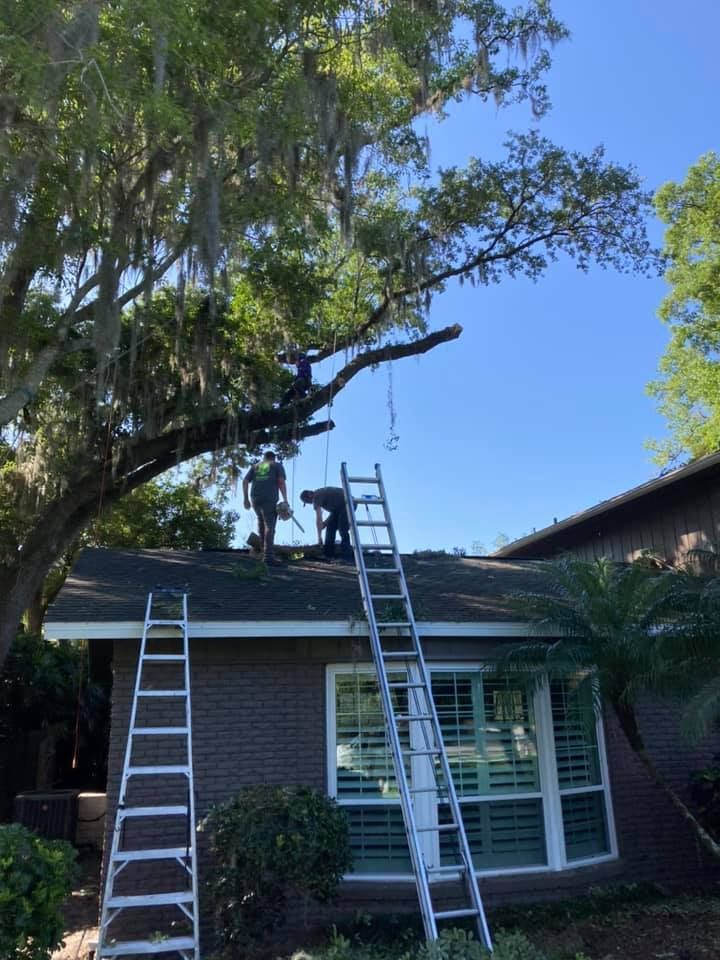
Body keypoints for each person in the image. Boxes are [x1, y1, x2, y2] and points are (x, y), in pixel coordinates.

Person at [243, 452, 288, 566]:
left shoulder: (255, 466)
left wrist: (245, 499)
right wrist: (285, 500)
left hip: (255, 499)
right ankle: (269, 557)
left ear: (264, 458)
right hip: (269, 498)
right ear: (274, 458)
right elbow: (281, 482)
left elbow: (245, 481)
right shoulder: (276, 465)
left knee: (261, 523)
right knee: (270, 526)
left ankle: (264, 554)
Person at [300, 487, 353, 562]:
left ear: (309, 494)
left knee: (342, 529)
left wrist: (319, 537)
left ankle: (346, 557)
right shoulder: (320, 494)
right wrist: (325, 523)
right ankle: (329, 554)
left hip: (347, 504)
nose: (310, 503)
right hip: (339, 507)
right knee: (330, 528)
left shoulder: (316, 496)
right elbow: (334, 512)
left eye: (308, 501)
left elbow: (318, 518)